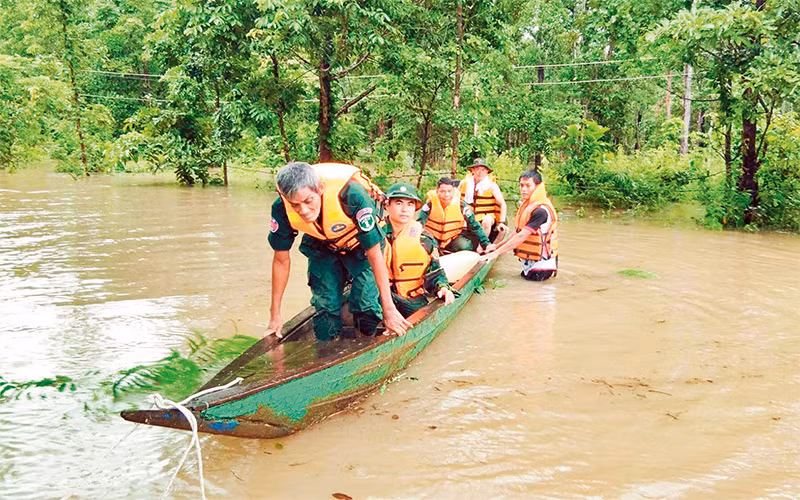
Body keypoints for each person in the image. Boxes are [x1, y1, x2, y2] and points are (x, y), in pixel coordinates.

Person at [266, 162, 411, 341]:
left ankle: (365, 343)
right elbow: (281, 260)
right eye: (295, 205)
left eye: (308, 201)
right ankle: (326, 351)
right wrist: (275, 314)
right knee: (325, 307)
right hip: (322, 245)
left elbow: (374, 254)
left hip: (361, 246)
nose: (303, 210)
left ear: (320, 188)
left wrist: (389, 309)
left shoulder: (352, 195)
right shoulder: (281, 208)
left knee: (366, 306)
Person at [382, 182, 455, 317]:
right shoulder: (374, 235)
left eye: (410, 204)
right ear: (387, 205)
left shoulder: (424, 238)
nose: (405, 209)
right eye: (399, 203)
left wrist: (443, 287)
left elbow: (435, 272)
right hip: (378, 298)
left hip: (411, 299)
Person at [482, 170, 558, 281]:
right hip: (531, 264)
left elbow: (522, 236)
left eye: (528, 186)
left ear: (537, 187)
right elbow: (517, 232)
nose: (523, 189)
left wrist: (496, 254)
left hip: (541, 267)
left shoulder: (541, 211)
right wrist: (496, 246)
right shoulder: (528, 206)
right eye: (522, 185)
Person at [418, 177, 497, 254]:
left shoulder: (461, 205)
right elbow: (420, 223)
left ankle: (448, 251)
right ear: (437, 191)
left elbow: (475, 225)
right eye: (442, 191)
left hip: (452, 238)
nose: (446, 195)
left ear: (454, 191)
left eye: (449, 191)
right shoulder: (429, 205)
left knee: (465, 246)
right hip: (433, 237)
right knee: (426, 246)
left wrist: (486, 244)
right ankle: (435, 251)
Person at [459, 158, 508, 239]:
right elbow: (456, 200)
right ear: (472, 170)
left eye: (483, 170)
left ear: (487, 172)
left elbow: (503, 204)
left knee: (487, 220)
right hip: (468, 215)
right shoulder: (464, 183)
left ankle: (482, 247)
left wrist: (502, 221)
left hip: (486, 216)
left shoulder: (492, 185)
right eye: (477, 169)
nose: (479, 172)